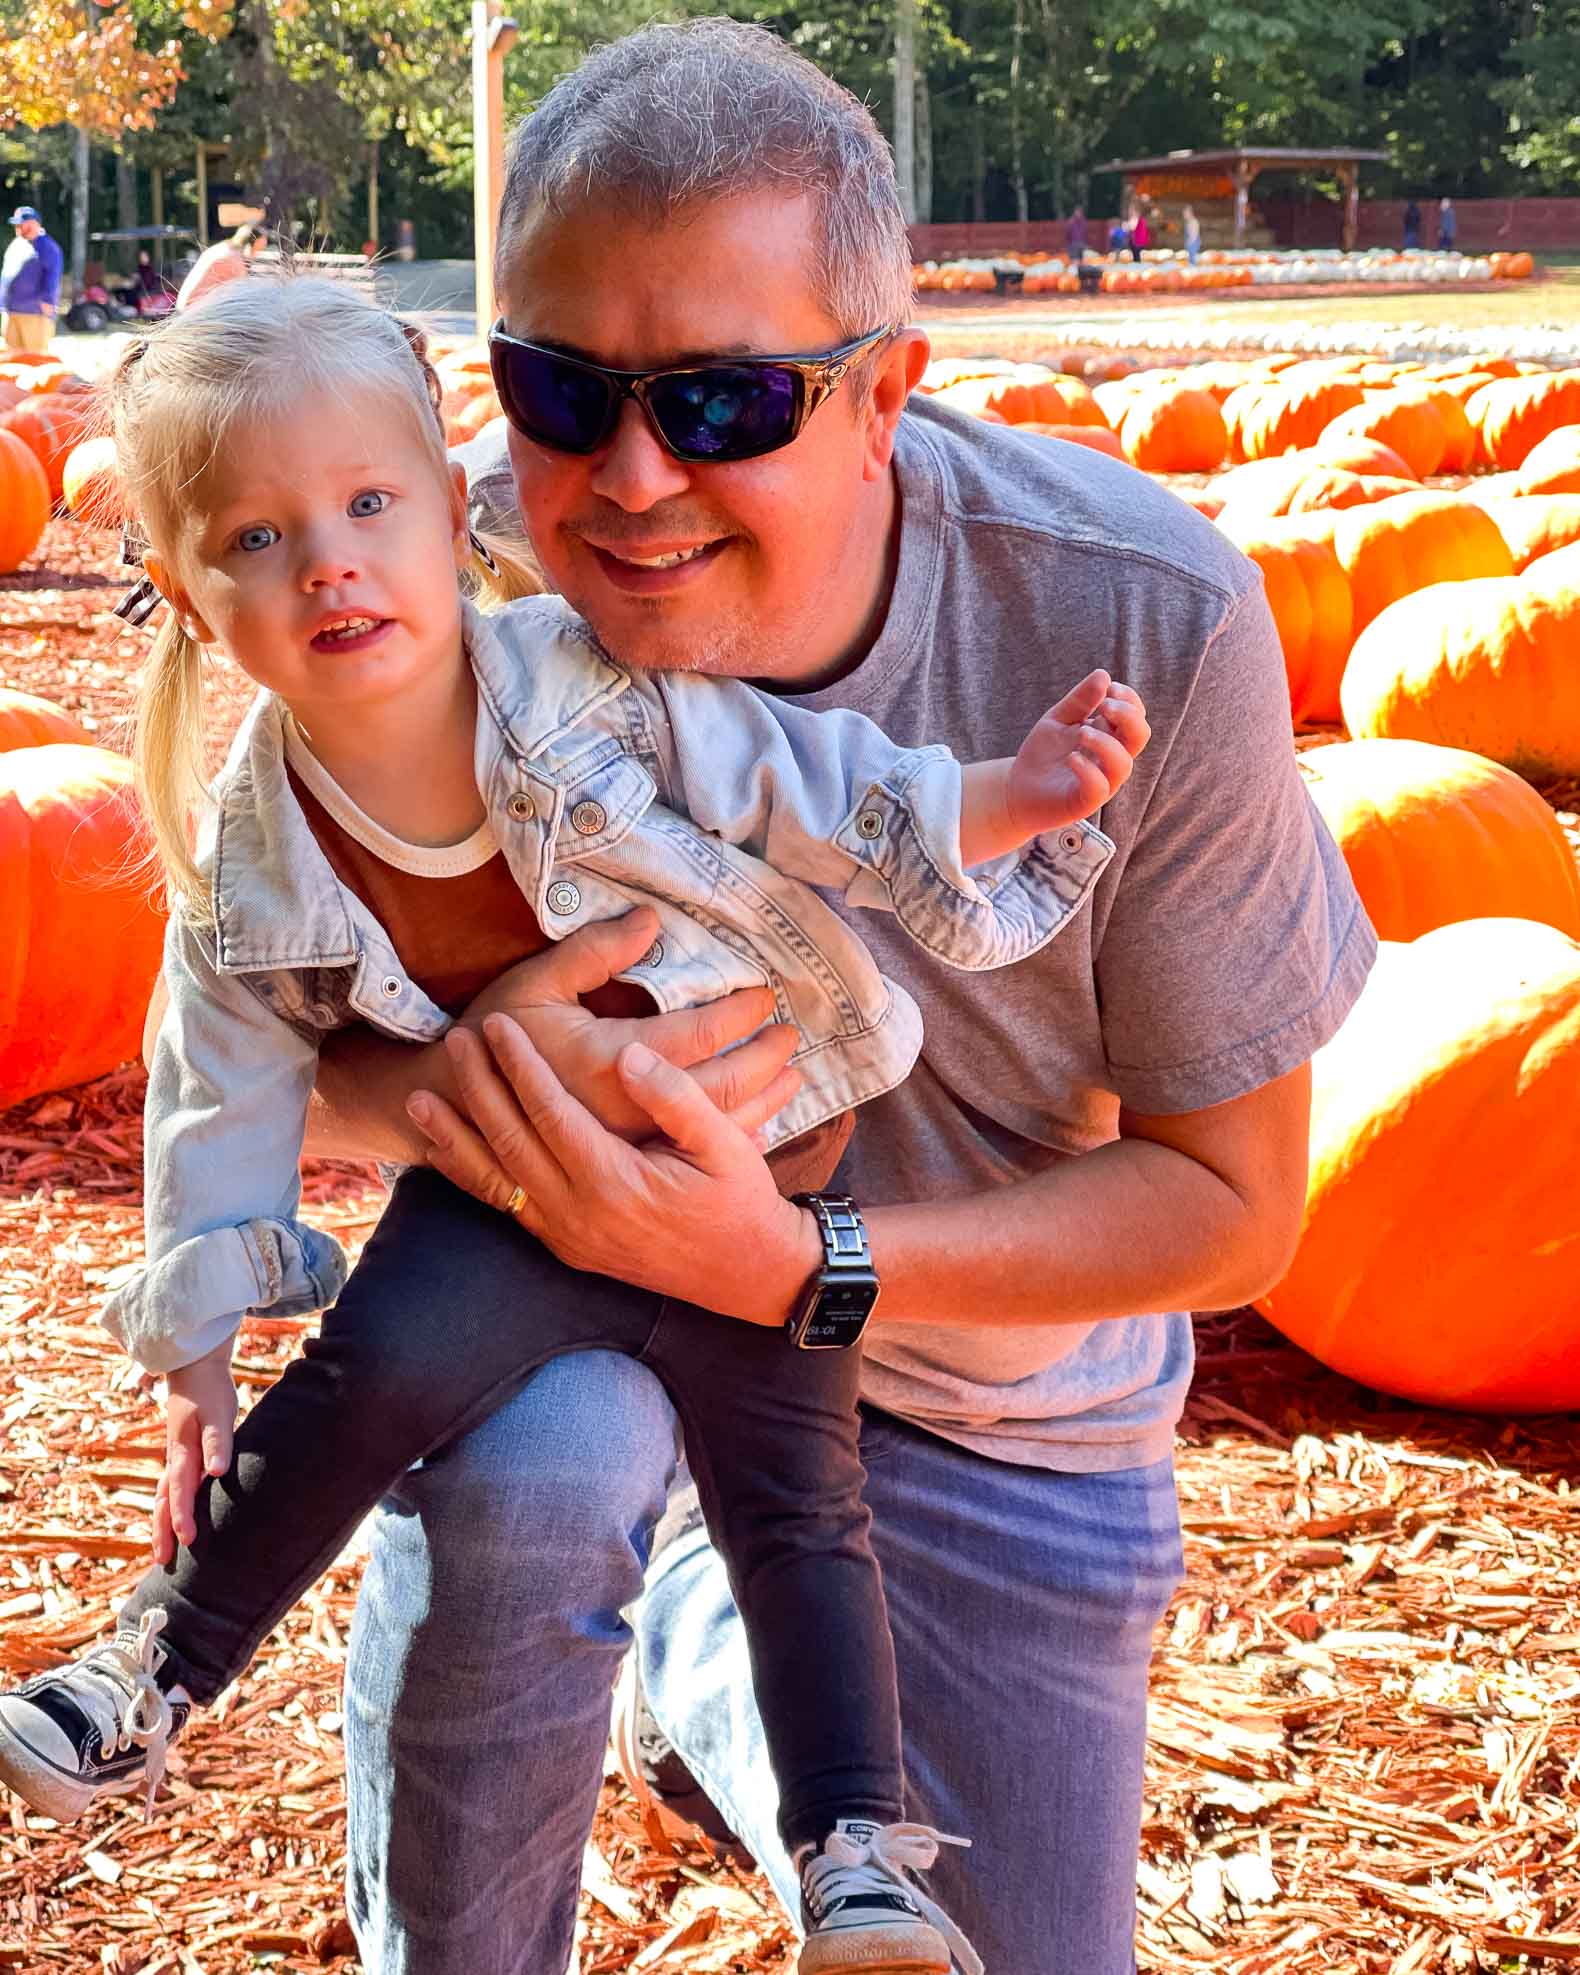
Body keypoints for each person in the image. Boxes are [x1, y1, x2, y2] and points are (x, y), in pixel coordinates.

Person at [274, 22, 1368, 1975]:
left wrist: (792, 1261)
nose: (622, 482)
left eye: (722, 400)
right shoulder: (417, 582)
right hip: (577, 1302)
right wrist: (457, 1086)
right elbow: (277, 1050)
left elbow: (1232, 1210)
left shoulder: (1138, 620)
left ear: (882, 396)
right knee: (530, 1489)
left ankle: (701, 1656)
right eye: (555, 387)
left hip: (975, 1392)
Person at [0, 273, 1150, 1975]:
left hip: (756, 1172)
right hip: (524, 1201)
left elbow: (802, 783)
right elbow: (214, 1100)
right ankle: (153, 1672)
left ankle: (857, 1855)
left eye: (368, 504)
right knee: (363, 1383)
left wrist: (1008, 801)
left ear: (449, 522)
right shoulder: (249, 865)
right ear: (180, 594)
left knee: (797, 1511)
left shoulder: (580, 687)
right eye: (255, 538)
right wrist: (196, 1365)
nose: (325, 559)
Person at [1, 206, 62, 353]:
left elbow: (52, 277)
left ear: (35, 224)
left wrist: (47, 301)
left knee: (35, 357)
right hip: (13, 310)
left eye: (23, 223)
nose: (19, 227)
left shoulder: (47, 247)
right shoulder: (17, 245)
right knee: (12, 358)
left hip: (34, 312)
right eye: (17, 224)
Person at [174, 221, 265, 312]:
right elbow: (242, 297)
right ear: (249, 245)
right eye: (258, 249)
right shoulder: (234, 261)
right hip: (194, 312)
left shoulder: (222, 248)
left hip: (186, 308)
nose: (257, 255)